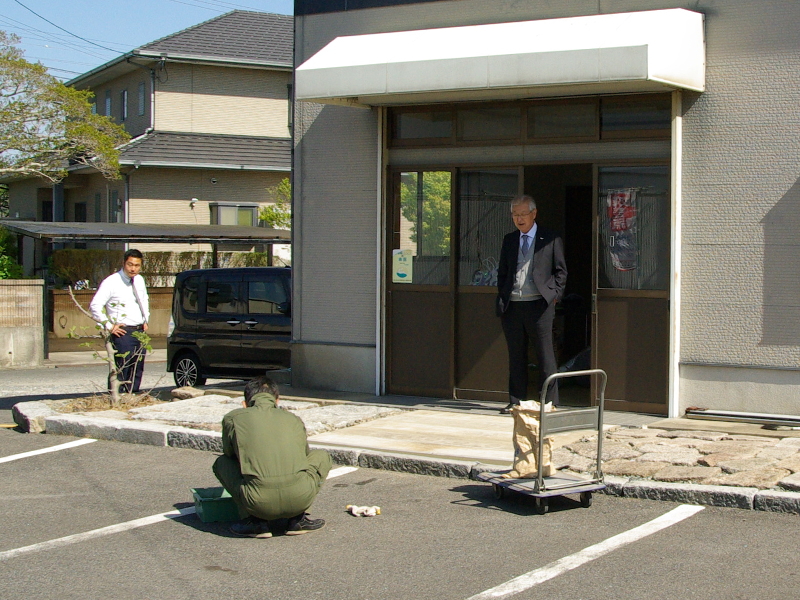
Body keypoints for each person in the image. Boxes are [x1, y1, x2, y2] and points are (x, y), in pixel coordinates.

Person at [213, 376, 332, 538]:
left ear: (245, 403)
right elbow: (304, 455)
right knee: (322, 456)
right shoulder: (293, 418)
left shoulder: (233, 418)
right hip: (300, 498)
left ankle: (256, 522)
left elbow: (229, 453)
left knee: (222, 462)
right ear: (277, 400)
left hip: (258, 502)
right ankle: (297, 520)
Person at [496, 195, 567, 414]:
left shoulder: (550, 238)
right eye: (515, 215)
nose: (519, 219)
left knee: (545, 355)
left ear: (533, 214)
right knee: (516, 355)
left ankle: (549, 402)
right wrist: (503, 294)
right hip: (513, 305)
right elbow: (503, 272)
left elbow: (561, 271)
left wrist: (554, 295)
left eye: (523, 214)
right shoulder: (509, 239)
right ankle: (516, 401)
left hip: (539, 305)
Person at [89, 249, 150, 394]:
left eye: (137, 265)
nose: (133, 269)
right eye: (130, 264)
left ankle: (132, 394)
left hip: (139, 330)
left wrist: (145, 319)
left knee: (137, 366)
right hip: (123, 331)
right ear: (123, 263)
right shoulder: (112, 282)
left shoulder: (139, 280)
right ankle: (117, 395)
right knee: (123, 365)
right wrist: (109, 326)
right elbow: (95, 305)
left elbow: (143, 300)